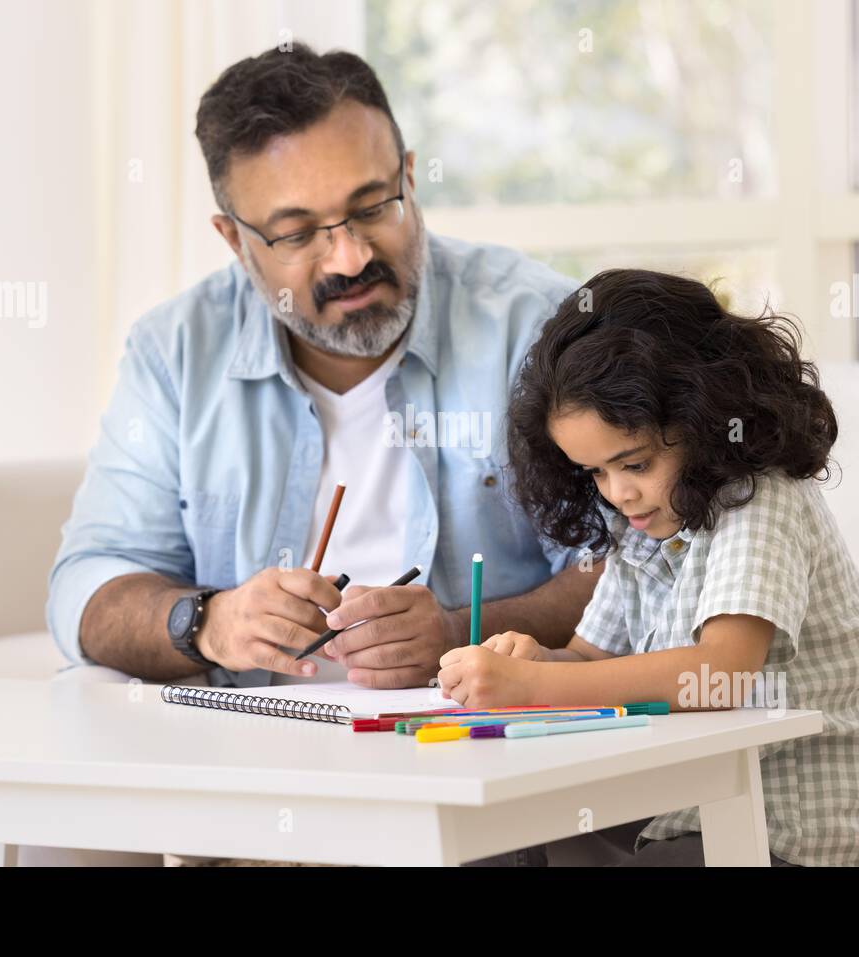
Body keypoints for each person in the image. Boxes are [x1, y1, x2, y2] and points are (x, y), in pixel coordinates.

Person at [37, 43, 596, 865]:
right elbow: (85, 590)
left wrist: (458, 628)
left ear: (409, 173)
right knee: (47, 830)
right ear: (234, 239)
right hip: (244, 767)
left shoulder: (536, 325)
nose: (350, 257)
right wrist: (208, 620)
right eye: (298, 232)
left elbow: (629, 571)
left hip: (466, 764)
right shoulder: (174, 351)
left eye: (374, 205)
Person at [440, 269, 859, 866]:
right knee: (497, 836)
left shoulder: (761, 499)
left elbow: (720, 675)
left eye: (634, 464)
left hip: (797, 820)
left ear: (704, 420)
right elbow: (591, 659)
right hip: (685, 800)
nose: (618, 493)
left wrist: (534, 688)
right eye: (595, 472)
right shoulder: (639, 520)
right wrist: (538, 661)